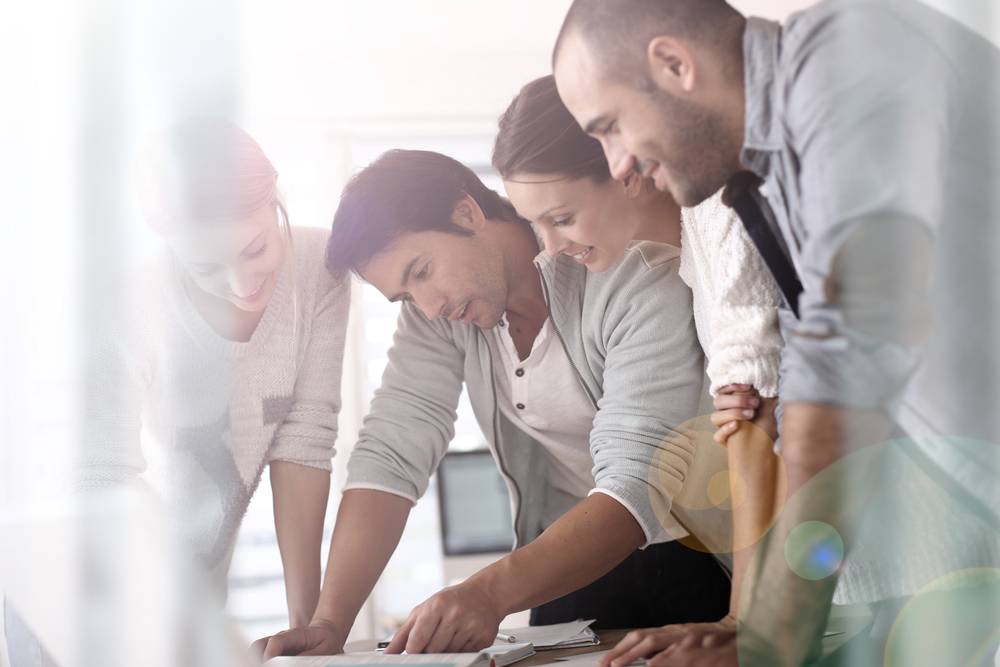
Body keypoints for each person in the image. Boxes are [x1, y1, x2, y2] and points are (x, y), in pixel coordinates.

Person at [552, 0, 1000, 665]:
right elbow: (816, 418)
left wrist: (776, 629)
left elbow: (851, 343)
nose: (617, 164)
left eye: (610, 126)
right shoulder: (770, 179)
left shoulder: (847, 51)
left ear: (674, 64)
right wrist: (757, 617)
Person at [253, 148, 733, 660]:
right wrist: (330, 622)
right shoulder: (441, 315)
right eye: (405, 296)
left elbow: (639, 481)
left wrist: (486, 593)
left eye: (421, 270)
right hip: (566, 561)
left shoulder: (629, 273)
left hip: (699, 550)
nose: (429, 306)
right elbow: (391, 453)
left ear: (467, 212)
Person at [492, 73, 786, 643]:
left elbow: (754, 430)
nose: (549, 250)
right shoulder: (687, 257)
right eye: (535, 225)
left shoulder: (720, 214)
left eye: (562, 218)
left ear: (621, 167)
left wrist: (742, 626)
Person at [71, 117, 350, 624]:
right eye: (205, 268)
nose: (243, 285)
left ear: (276, 198)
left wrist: (308, 632)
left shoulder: (319, 268)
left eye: (256, 250)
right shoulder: (128, 302)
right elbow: (100, 473)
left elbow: (304, 440)